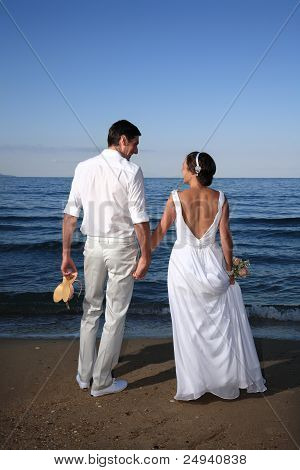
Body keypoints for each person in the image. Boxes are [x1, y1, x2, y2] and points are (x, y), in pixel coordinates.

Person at [151, 152, 267, 401]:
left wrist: (142, 254)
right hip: (212, 262)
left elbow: (160, 231)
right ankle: (224, 378)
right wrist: (230, 269)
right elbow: (225, 237)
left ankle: (195, 384)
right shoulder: (221, 198)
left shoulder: (175, 198)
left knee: (189, 326)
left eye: (183, 165)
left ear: (193, 170)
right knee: (219, 324)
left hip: (182, 265)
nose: (180, 168)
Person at [62, 120, 151, 397]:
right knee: (115, 314)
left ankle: (84, 375)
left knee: (91, 309)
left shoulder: (83, 167)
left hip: (92, 246)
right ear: (123, 140)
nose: (136, 151)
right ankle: (101, 382)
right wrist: (146, 255)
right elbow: (139, 220)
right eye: (135, 144)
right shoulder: (132, 171)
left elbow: (70, 215)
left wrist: (65, 253)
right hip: (122, 247)